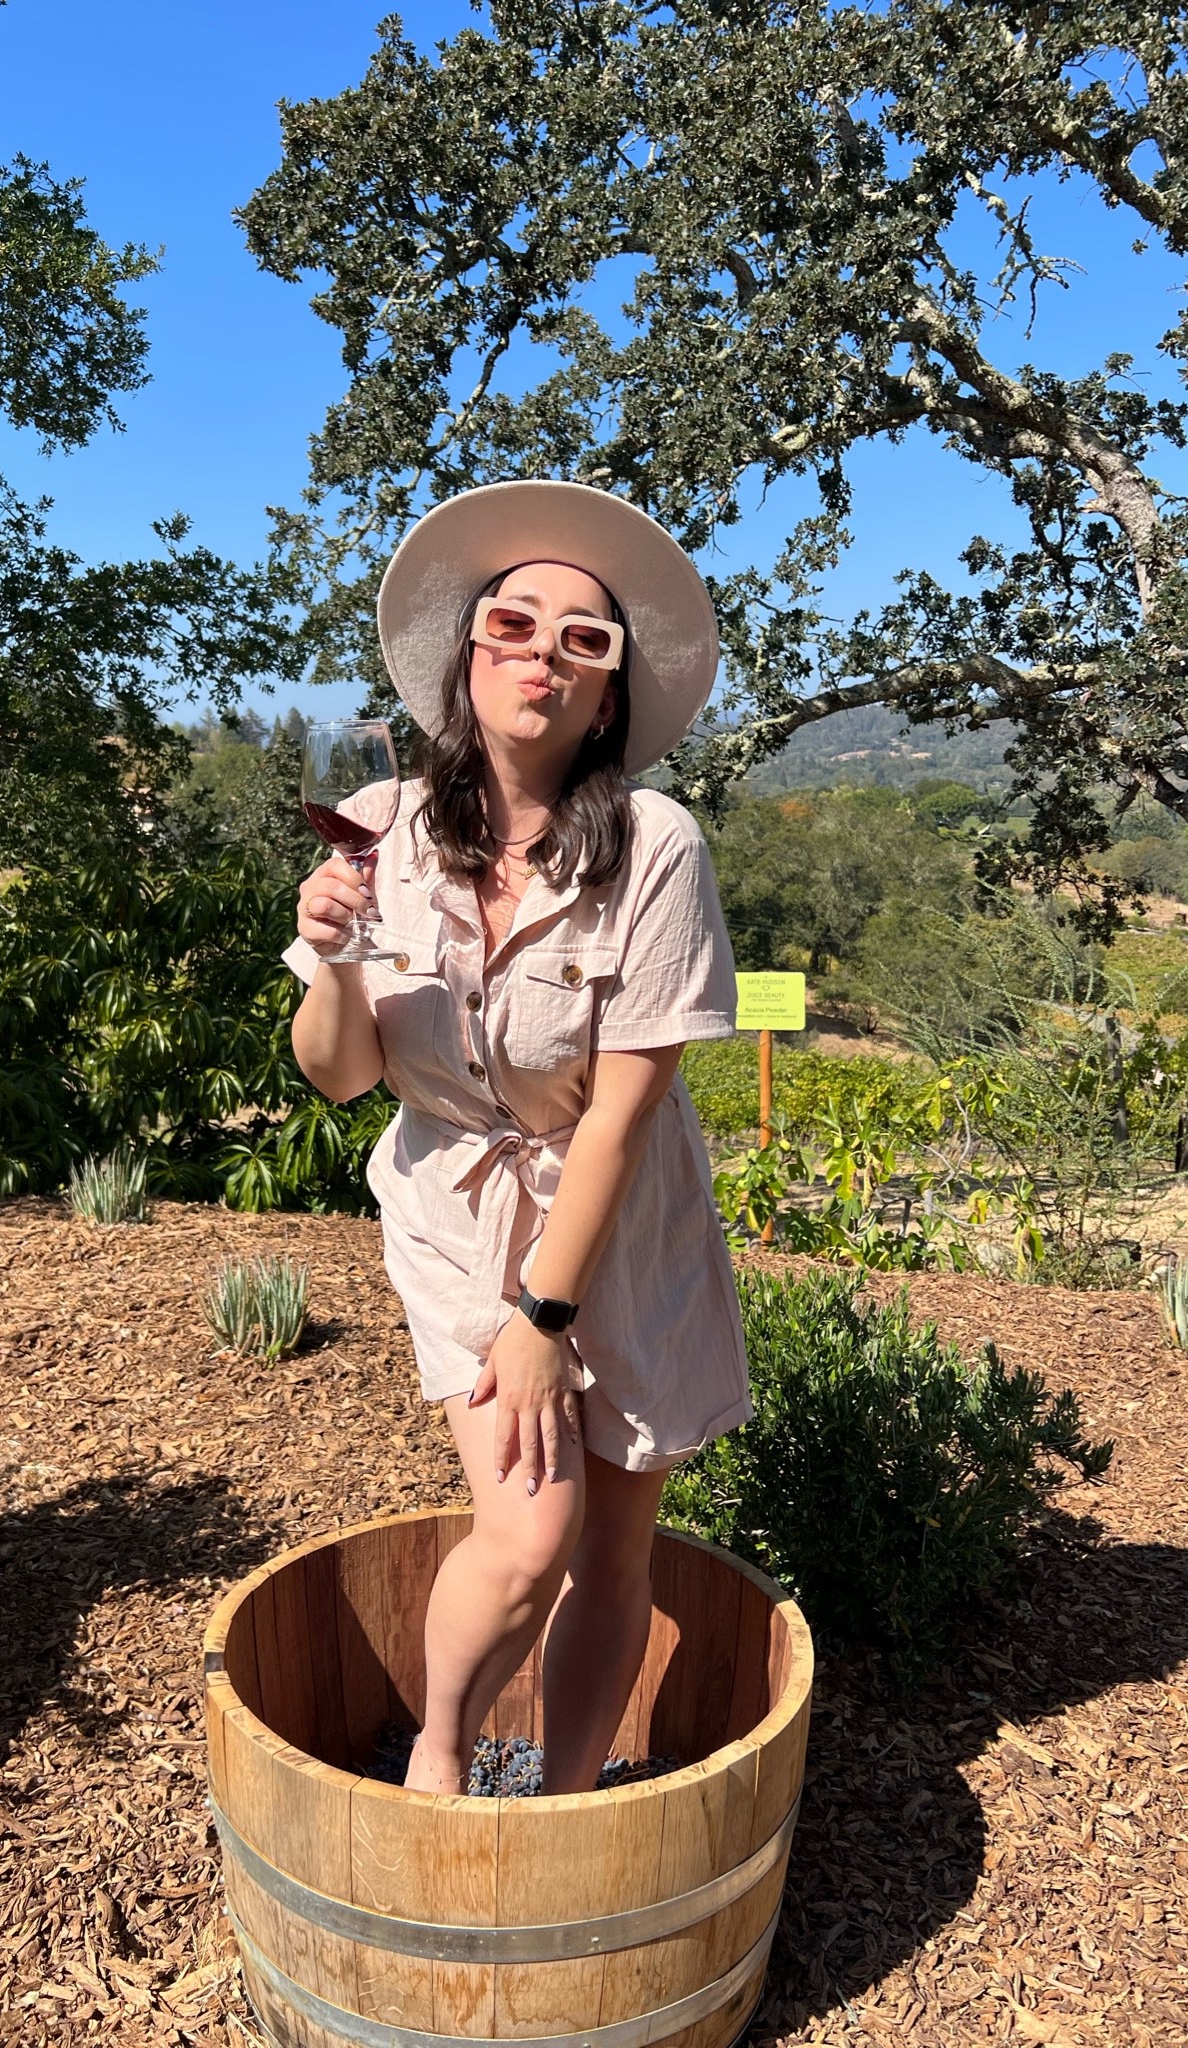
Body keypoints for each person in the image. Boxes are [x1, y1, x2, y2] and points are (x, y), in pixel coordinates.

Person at [283, 479, 750, 1797]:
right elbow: (337, 1078)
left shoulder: (655, 847)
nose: (543, 650)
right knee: (533, 1528)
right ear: (467, 654)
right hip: (455, 1211)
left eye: (583, 641)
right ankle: (437, 1765)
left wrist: (548, 1315)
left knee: (614, 1553)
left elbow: (624, 1107)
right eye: (515, 622)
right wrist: (330, 964)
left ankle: (563, 1799)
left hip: (620, 1221)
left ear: (606, 699)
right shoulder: (382, 832)